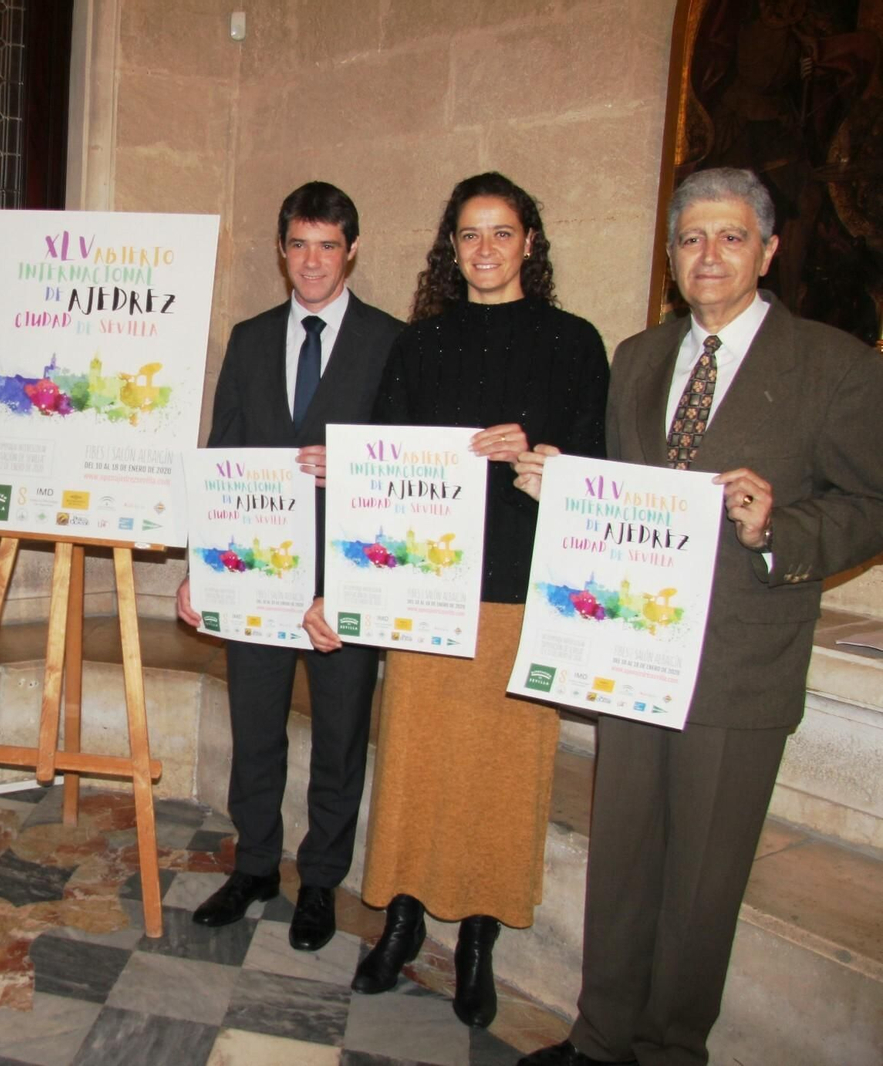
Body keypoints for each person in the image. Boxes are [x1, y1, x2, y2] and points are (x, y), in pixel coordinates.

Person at [514, 167, 883, 1066]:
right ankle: (599, 1040)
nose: (708, 255)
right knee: (624, 864)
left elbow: (871, 500)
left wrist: (775, 527)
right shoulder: (640, 358)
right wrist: (562, 484)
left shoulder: (834, 364)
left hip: (738, 662)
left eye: (728, 236)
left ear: (768, 248)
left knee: (701, 886)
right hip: (633, 656)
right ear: (672, 255)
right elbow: (624, 496)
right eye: (690, 238)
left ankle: (673, 1050)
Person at [306, 173, 608, 1028]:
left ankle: (478, 939)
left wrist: (542, 461)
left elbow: (597, 474)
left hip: (520, 589)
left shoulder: (574, 343)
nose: (484, 250)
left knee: (502, 777)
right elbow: (381, 477)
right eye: (468, 235)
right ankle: (400, 921)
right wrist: (344, 578)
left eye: (501, 233)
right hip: (423, 591)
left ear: (529, 244)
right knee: (413, 760)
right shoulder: (421, 345)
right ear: (452, 247)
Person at [175, 181, 402, 953]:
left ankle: (322, 882)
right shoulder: (248, 337)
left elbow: (405, 471)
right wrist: (201, 570)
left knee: (340, 736)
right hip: (255, 576)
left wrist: (355, 470)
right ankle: (257, 866)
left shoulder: (390, 341)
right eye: (300, 244)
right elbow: (220, 456)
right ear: (282, 250)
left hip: (347, 580)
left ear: (353, 250)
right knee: (255, 730)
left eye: (328, 246)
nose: (312, 261)